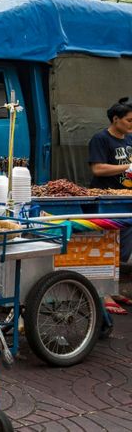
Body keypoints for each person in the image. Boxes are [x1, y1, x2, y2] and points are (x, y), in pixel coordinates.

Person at [88, 98, 132, 314]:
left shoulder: (130, 140)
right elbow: (97, 169)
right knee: (106, 243)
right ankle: (102, 293)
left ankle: (113, 289)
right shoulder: (100, 139)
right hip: (105, 199)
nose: (131, 125)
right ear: (116, 119)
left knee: (122, 243)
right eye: (129, 121)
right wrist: (127, 165)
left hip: (126, 198)